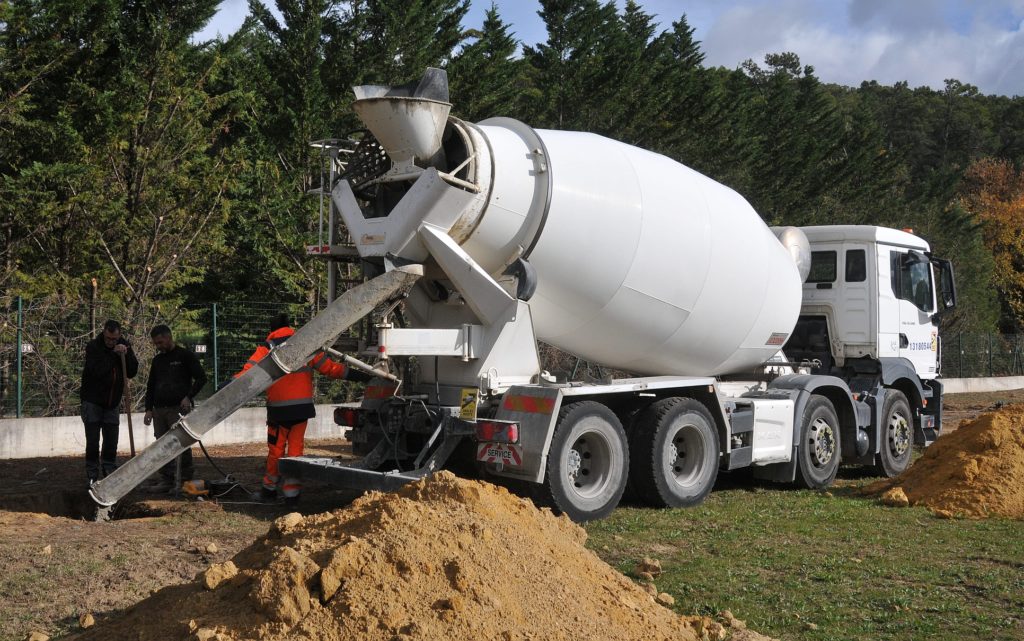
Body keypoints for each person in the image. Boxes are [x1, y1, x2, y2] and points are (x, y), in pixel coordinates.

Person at [236, 313, 369, 505]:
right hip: (301, 410)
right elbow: (331, 368)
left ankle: (269, 491)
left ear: (271, 330)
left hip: (278, 412)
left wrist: (230, 383)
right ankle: (292, 495)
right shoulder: (305, 346)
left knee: (276, 450)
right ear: (290, 326)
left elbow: (249, 369)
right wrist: (361, 376)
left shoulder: (267, 348)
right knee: (296, 451)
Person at [143, 324, 208, 491]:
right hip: (159, 410)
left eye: (160, 342)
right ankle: (167, 479)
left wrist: (189, 397)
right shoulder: (157, 360)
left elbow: (201, 378)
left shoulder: (185, 355)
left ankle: (184, 479)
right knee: (161, 446)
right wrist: (148, 409)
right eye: (156, 343)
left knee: (181, 444)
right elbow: (151, 385)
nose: (158, 346)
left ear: (169, 337)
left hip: (178, 409)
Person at [80, 319, 139, 486]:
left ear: (119, 335)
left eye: (114, 339)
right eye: (108, 338)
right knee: (92, 441)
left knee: (111, 440)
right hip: (92, 401)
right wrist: (114, 354)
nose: (111, 342)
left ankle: (109, 470)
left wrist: (125, 354)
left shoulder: (124, 345)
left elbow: (132, 371)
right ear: (104, 333)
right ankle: (92, 474)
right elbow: (97, 371)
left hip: (112, 402)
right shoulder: (93, 347)